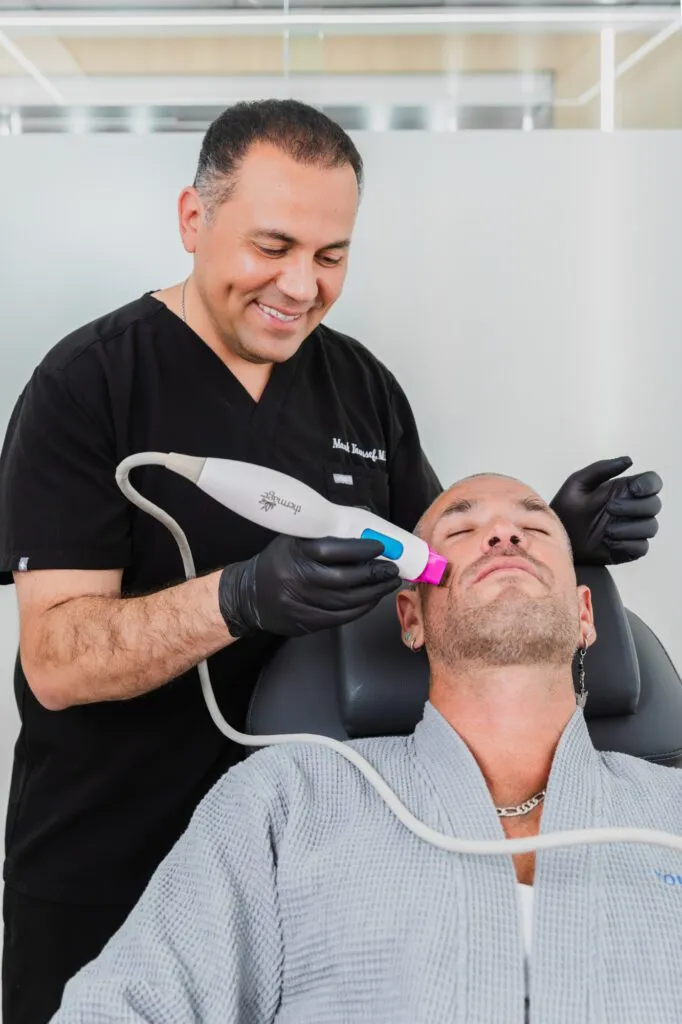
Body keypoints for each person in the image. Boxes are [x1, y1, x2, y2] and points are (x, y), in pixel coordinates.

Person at [0, 99, 662, 1023]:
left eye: (331, 256)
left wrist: (546, 535)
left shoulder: (358, 386)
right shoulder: (87, 388)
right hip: (109, 854)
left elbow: (431, 567)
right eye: (272, 247)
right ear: (194, 220)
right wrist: (242, 597)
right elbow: (57, 662)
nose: (302, 286)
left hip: (324, 848)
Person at [49, 472, 682, 1024]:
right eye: (463, 531)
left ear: (584, 617)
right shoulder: (286, 800)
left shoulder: (671, 813)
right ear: (410, 617)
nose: (502, 536)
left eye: (533, 528)